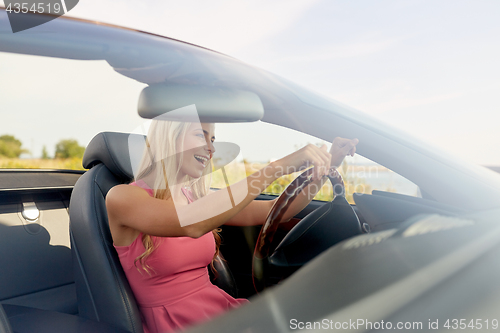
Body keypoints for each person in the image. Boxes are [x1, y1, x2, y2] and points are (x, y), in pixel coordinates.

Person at [106, 120, 358, 333]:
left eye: (213, 139)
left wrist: (330, 165)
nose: (211, 148)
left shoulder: (195, 199)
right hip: (176, 325)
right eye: (200, 134)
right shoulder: (123, 198)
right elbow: (191, 224)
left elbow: (280, 211)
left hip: (218, 311)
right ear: (169, 138)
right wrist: (277, 168)